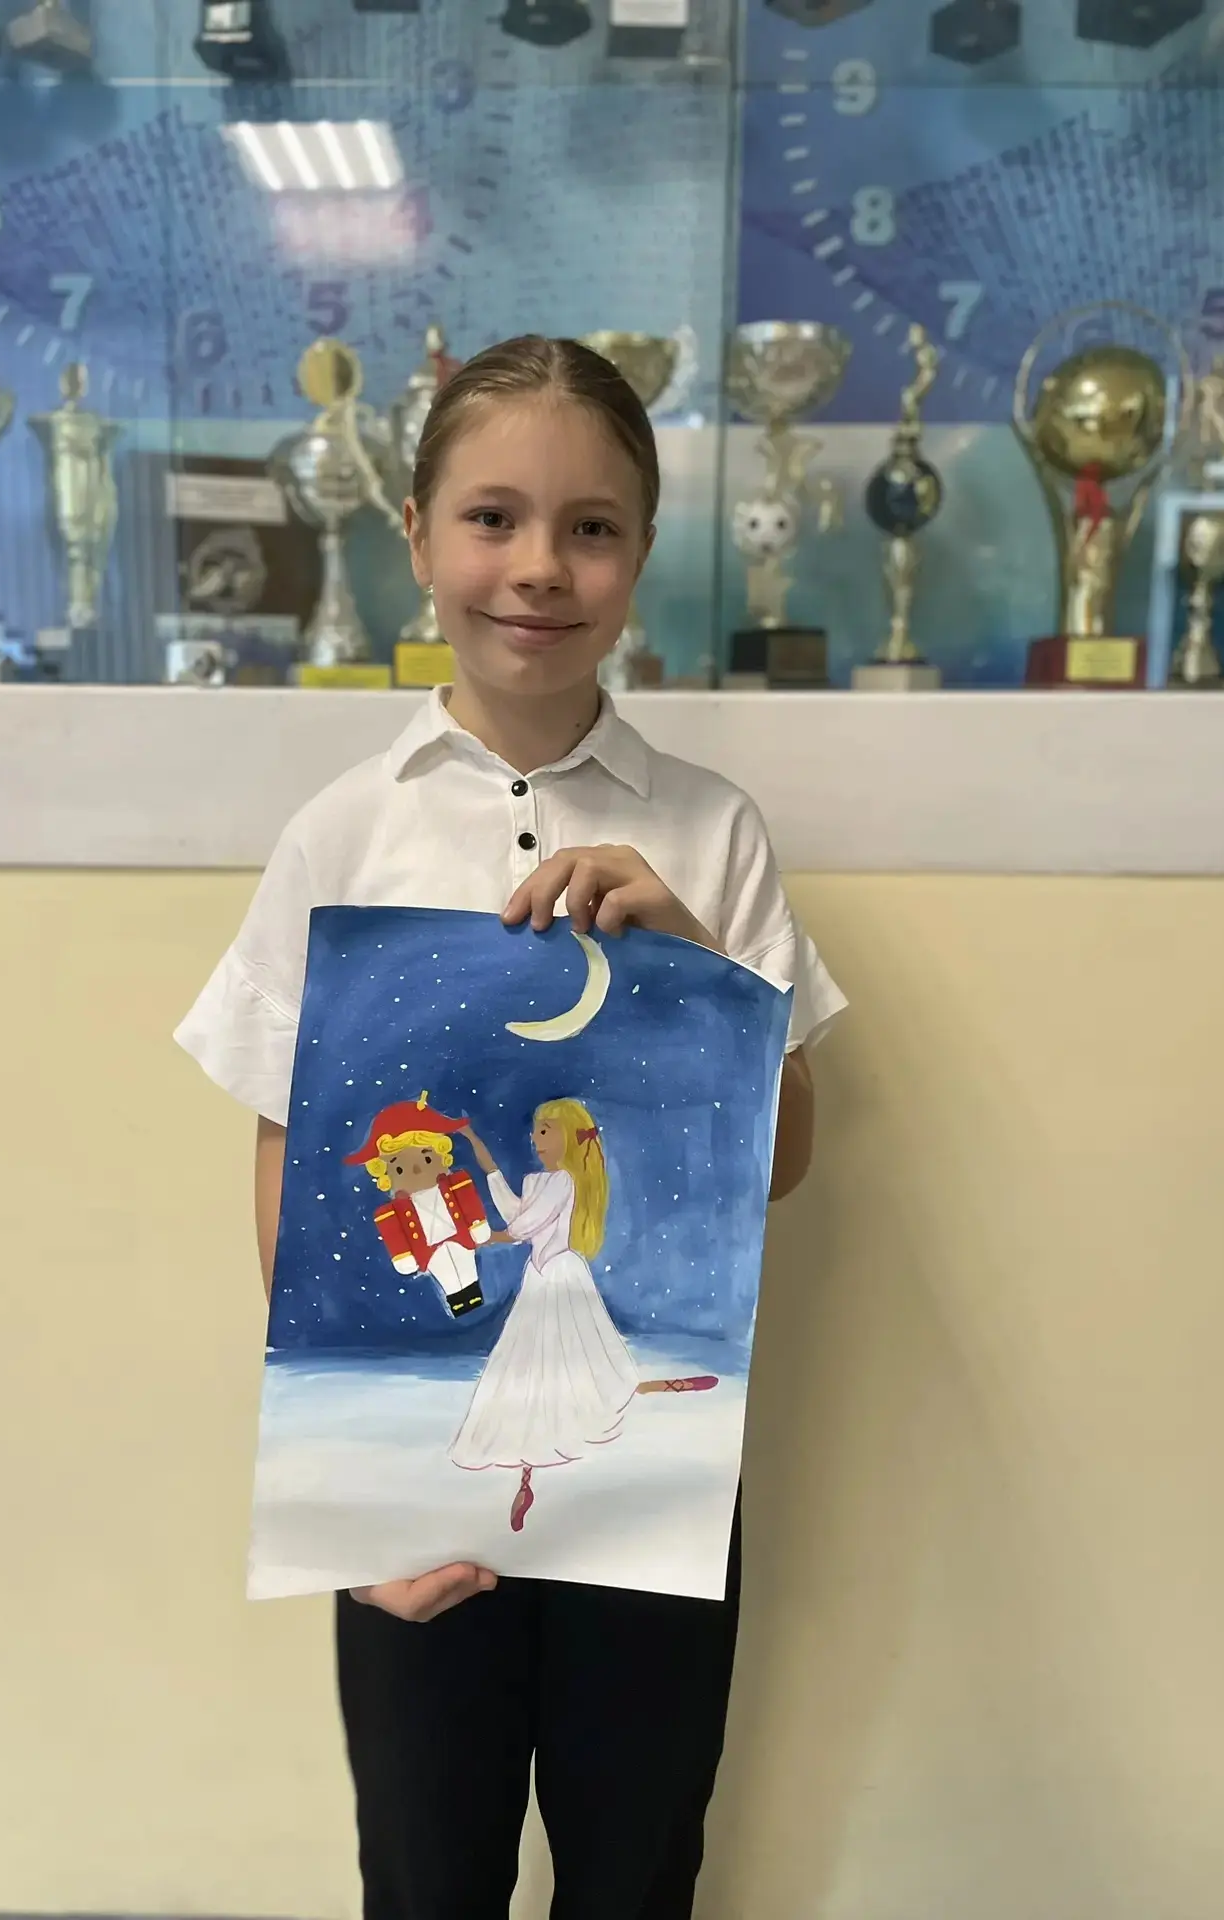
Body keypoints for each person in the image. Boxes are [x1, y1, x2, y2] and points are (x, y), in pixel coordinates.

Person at [175, 334, 847, 1920]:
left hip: (655, 1499)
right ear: (416, 536)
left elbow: (781, 1164)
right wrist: (350, 1481)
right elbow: (289, 1156)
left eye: (591, 527)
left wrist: (696, 972)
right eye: (492, 517)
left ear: (640, 554)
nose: (540, 566)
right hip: (408, 1483)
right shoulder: (345, 831)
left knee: (638, 1865)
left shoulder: (711, 831)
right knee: (425, 1869)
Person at [455, 1101, 718, 1533]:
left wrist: (479, 1238)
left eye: (545, 1130)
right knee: (533, 1360)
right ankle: (527, 1470)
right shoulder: (539, 1181)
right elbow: (514, 1213)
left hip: (560, 1276)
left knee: (571, 1359)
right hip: (540, 1277)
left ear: (567, 1135)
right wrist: (477, 1148)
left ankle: (539, 1463)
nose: (535, 1139)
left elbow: (522, 1229)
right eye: (536, 1131)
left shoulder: (564, 1180)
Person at [344, 1090, 494, 1317]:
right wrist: (402, 1255)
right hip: (429, 1253)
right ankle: (460, 1305)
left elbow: (469, 1202)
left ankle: (473, 1300)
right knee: (449, 1282)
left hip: (461, 1239)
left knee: (467, 1271)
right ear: (386, 1175)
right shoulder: (390, 1211)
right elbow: (394, 1232)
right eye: (399, 1168)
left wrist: (477, 1223)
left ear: (441, 1155)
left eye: (427, 1158)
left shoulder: (456, 1183)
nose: (415, 1170)